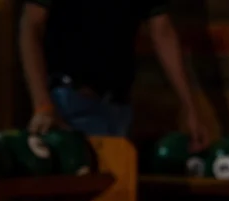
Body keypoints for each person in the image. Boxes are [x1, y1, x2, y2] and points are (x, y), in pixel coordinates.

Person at [18, 0, 208, 150]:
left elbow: (162, 31)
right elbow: (30, 25)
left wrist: (191, 108)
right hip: (70, 102)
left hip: (118, 108)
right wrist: (43, 105)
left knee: (118, 194)